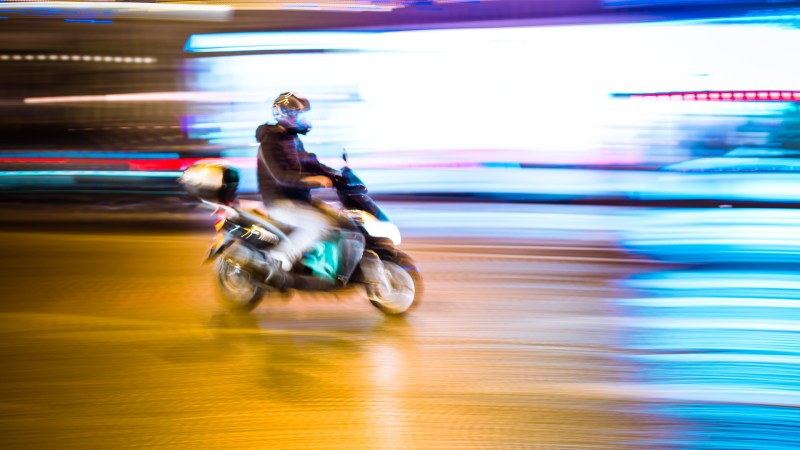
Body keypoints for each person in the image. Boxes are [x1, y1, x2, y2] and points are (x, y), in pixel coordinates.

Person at [255, 91, 337, 273]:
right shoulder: (270, 142)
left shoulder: (292, 139)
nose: (302, 119)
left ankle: (314, 263)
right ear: (285, 115)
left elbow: (309, 162)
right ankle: (280, 257)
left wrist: (336, 174)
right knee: (318, 225)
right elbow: (281, 176)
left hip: (298, 201)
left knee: (338, 221)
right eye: (298, 115)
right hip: (280, 203)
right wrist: (315, 180)